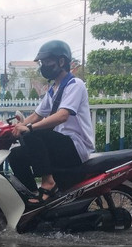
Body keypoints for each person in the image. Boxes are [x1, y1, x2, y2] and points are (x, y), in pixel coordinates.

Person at [7, 40, 95, 207]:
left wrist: (29, 128)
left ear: (61, 61)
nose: (44, 66)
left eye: (47, 62)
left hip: (76, 146)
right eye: (42, 63)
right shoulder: (54, 88)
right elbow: (37, 114)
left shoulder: (75, 85)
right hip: (60, 144)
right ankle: (32, 196)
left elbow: (62, 116)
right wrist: (20, 126)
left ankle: (49, 184)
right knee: (16, 155)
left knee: (33, 133)